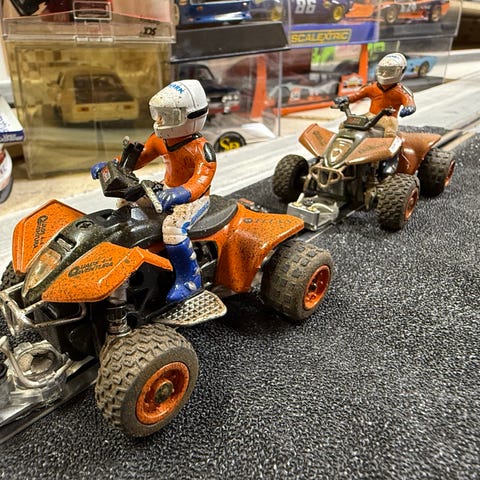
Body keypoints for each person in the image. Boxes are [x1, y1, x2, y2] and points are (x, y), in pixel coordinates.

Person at [91, 79, 216, 304]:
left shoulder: (201, 149)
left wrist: (180, 194)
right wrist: (113, 165)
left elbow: (201, 181)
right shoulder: (160, 140)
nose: (159, 120)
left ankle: (189, 279)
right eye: (158, 114)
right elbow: (139, 159)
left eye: (167, 115)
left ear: (189, 117)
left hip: (194, 200)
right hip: (165, 190)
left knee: (173, 228)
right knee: (126, 204)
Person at [335, 53, 416, 137]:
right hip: (370, 115)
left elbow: (409, 102)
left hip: (389, 119)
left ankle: (388, 145)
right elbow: (356, 95)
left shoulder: (401, 91)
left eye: (390, 71)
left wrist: (409, 108)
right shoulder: (372, 87)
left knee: (390, 132)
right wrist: (346, 98)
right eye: (382, 70)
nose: (384, 74)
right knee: (345, 124)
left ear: (401, 71)